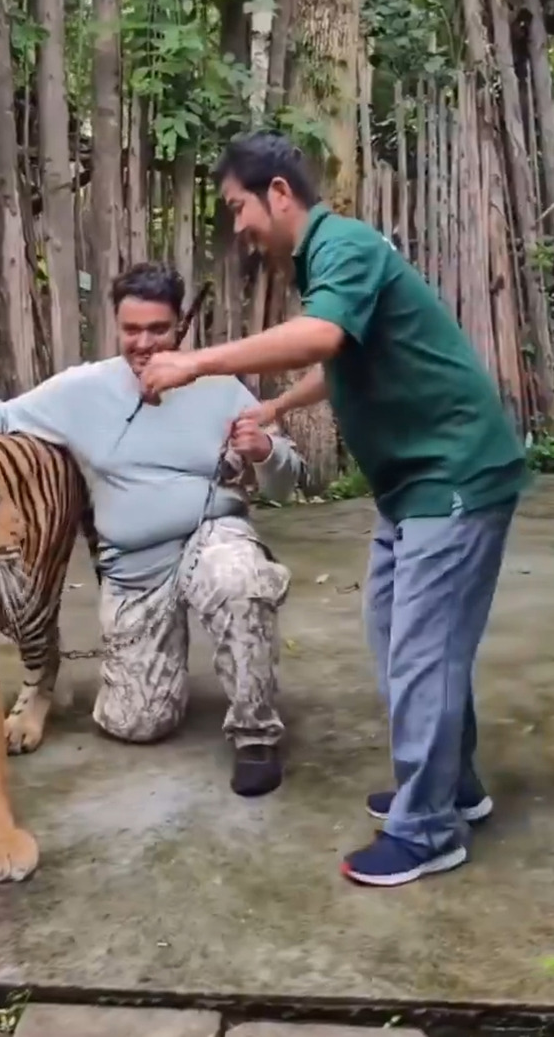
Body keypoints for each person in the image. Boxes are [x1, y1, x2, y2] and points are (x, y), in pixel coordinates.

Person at [139, 130, 528, 887]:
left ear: (278, 194)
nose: (240, 226)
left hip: (454, 472)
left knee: (421, 651)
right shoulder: (327, 259)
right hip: (412, 484)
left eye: (239, 208)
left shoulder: (341, 243)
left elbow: (321, 334)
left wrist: (195, 360)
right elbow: (339, 354)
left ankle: (427, 829)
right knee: (398, 638)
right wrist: (280, 406)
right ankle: (452, 785)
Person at [0, 262, 304, 798]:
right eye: (132, 330)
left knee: (239, 577)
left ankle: (255, 734)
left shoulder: (221, 386)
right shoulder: (83, 390)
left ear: (180, 327)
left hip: (210, 536)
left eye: (158, 329)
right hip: (135, 571)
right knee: (136, 723)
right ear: (116, 327)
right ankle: (163, 660)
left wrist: (267, 451)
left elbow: (288, 483)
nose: (144, 343)